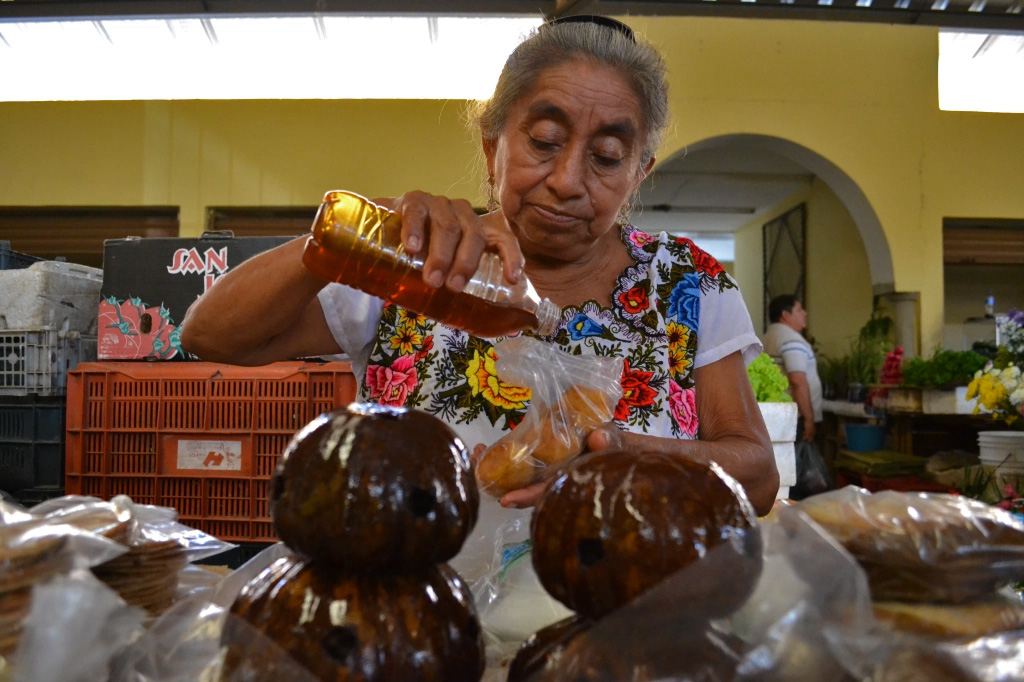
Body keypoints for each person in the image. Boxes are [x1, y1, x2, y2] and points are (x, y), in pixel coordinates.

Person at [181, 16, 778, 630]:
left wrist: (622, 454)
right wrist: (361, 229)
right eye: (544, 141)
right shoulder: (423, 262)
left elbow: (757, 477)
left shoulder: (687, 283)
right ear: (494, 146)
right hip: (413, 625)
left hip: (620, 631)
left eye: (606, 157)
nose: (568, 181)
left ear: (638, 174)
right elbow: (210, 336)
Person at [762, 295, 822, 443]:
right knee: (796, 462)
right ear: (785, 315)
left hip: (776, 413)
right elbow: (797, 380)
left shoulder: (767, 338)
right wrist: (809, 418)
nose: (805, 313)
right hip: (796, 416)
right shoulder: (791, 339)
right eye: (799, 309)